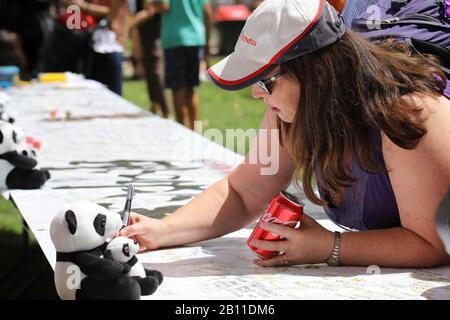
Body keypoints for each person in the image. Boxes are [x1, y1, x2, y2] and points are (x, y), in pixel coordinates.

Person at [119, 0, 450, 268]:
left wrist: (330, 247)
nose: (256, 96)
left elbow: (432, 243)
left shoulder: (409, 114)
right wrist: (162, 230)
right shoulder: (296, 111)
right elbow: (243, 191)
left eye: (265, 81)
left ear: (319, 72)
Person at [149, 0, 212, 129]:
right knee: (191, 88)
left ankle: (181, 130)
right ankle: (195, 131)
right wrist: (207, 42)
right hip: (196, 38)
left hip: (175, 40)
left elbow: (164, 5)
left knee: (177, 88)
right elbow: (207, 11)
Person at [129, 0, 169, 118]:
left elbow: (150, 10)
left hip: (153, 31)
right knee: (148, 67)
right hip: (143, 30)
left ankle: (166, 109)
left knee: (155, 70)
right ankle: (154, 104)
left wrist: (129, 24)